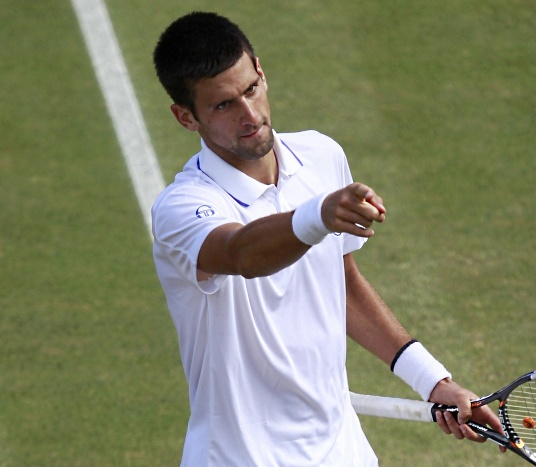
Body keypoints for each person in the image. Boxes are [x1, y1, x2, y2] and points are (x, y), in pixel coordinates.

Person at [151, 11, 504, 466]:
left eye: (251, 89)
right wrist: (317, 215)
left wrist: (433, 380)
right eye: (223, 106)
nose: (250, 115)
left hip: (343, 451)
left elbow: (342, 285)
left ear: (260, 70)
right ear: (186, 117)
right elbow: (241, 254)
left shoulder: (321, 156)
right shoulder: (181, 207)